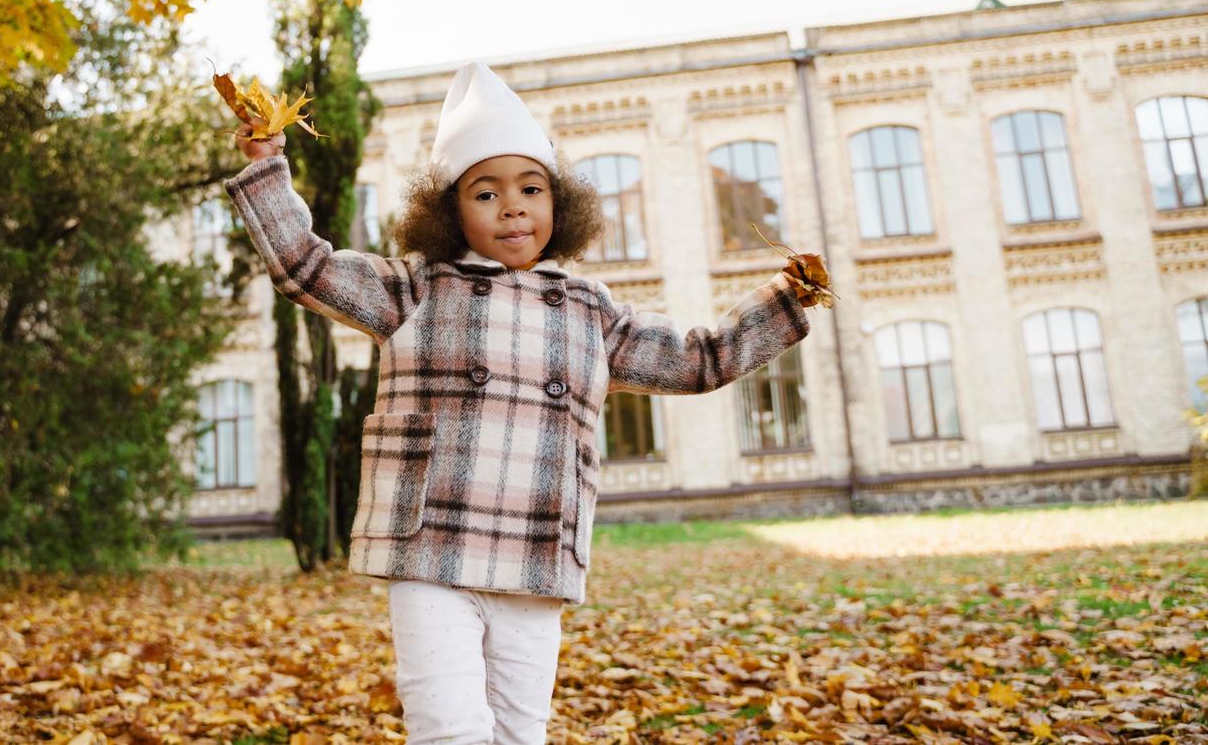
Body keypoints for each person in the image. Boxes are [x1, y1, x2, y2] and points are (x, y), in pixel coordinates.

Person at [226, 61, 828, 744]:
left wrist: (784, 303)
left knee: (520, 734)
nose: (512, 206)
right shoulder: (414, 289)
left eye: (531, 188)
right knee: (449, 730)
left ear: (558, 203)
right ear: (449, 211)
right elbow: (304, 266)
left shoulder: (589, 310)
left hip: (534, 560)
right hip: (430, 551)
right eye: (485, 193)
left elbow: (698, 359)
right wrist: (268, 162)